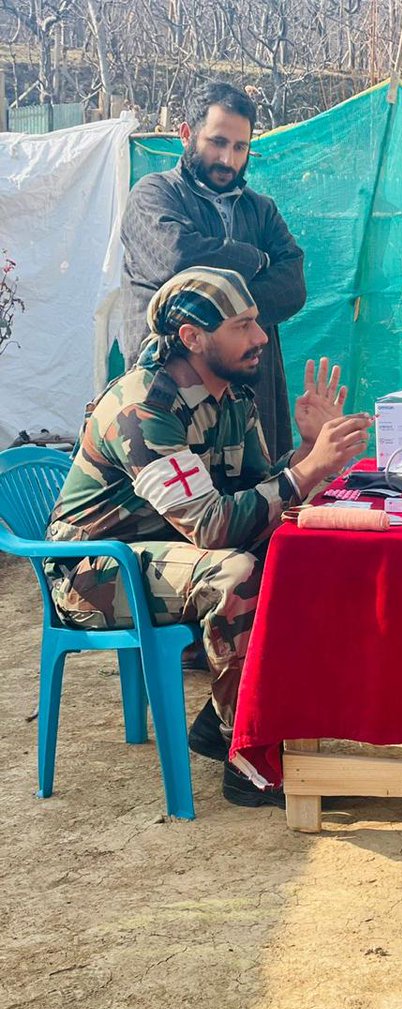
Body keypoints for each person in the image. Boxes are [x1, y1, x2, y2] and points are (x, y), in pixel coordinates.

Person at [46, 266, 372, 808]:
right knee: (235, 573)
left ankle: (216, 725)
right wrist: (307, 472)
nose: (261, 337)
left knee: (305, 551)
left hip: (170, 551)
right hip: (96, 569)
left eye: (257, 323)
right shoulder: (143, 408)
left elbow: (256, 497)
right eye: (242, 325)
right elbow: (214, 527)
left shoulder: (231, 398)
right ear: (193, 338)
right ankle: (250, 764)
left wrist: (303, 454)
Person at [120, 81, 305, 460]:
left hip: (249, 387)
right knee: (176, 507)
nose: (228, 159)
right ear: (187, 134)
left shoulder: (261, 209)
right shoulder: (153, 194)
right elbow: (178, 258)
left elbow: (292, 286)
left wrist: (215, 310)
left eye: (240, 147)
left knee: (258, 499)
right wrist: (257, 260)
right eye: (217, 142)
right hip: (171, 388)